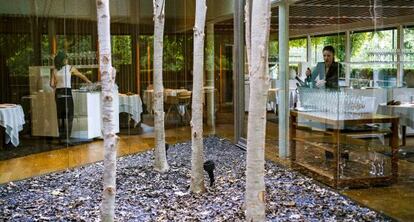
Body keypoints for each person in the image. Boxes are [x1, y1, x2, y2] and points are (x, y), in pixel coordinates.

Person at [50, 51, 92, 143]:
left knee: (60, 115)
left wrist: (58, 83)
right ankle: (67, 138)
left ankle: (61, 137)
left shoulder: (54, 70)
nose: (67, 60)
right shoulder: (70, 68)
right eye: (66, 58)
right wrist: (89, 81)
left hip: (58, 93)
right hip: (67, 92)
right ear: (63, 60)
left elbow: (52, 84)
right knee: (69, 114)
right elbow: (81, 75)